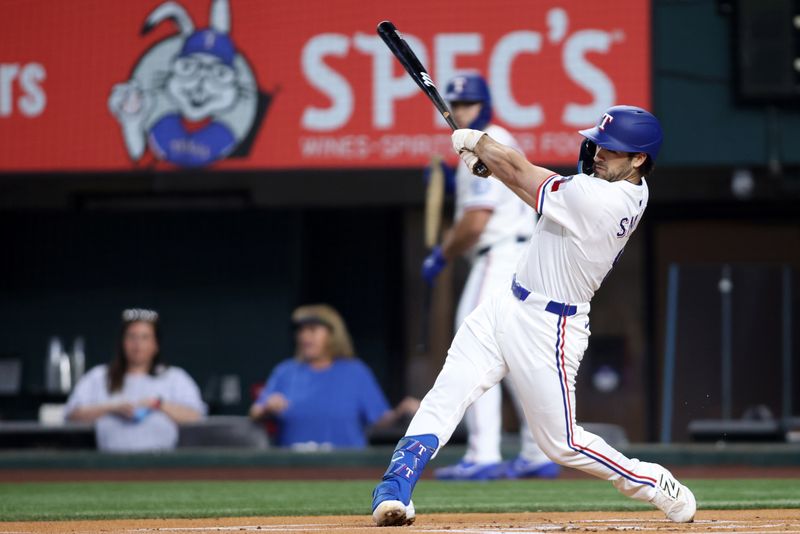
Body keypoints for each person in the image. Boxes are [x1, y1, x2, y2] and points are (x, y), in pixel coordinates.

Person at [371, 106, 696, 526]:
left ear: (638, 160)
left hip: (552, 326)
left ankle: (652, 481)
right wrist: (492, 167)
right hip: (505, 302)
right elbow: (531, 187)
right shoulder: (613, 184)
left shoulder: (605, 199)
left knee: (562, 444)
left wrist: (480, 144)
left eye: (612, 149)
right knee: (447, 394)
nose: (598, 152)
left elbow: (526, 175)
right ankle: (396, 484)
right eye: (599, 142)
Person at [421, 73, 558, 481]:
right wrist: (454, 182)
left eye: (469, 104)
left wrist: (442, 254)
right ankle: (537, 452)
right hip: (524, 257)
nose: (461, 111)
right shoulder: (492, 143)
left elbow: (476, 223)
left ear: (486, 104)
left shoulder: (483, 140)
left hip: (498, 257)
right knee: (514, 357)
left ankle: (482, 453)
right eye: (458, 105)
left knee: (475, 347)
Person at [250, 304, 419, 449]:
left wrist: (401, 412)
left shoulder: (355, 371)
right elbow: (256, 411)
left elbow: (380, 419)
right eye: (301, 330)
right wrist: (267, 407)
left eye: (312, 330)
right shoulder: (285, 371)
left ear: (332, 334)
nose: (304, 336)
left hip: (346, 467)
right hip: (294, 468)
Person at [65, 308, 206, 452]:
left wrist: (158, 404)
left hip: (162, 464)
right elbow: (72, 415)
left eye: (145, 337)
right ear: (122, 342)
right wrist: (112, 407)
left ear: (155, 345)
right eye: (131, 337)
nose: (137, 344)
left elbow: (196, 417)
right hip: (109, 464)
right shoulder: (99, 376)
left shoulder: (174, 377)